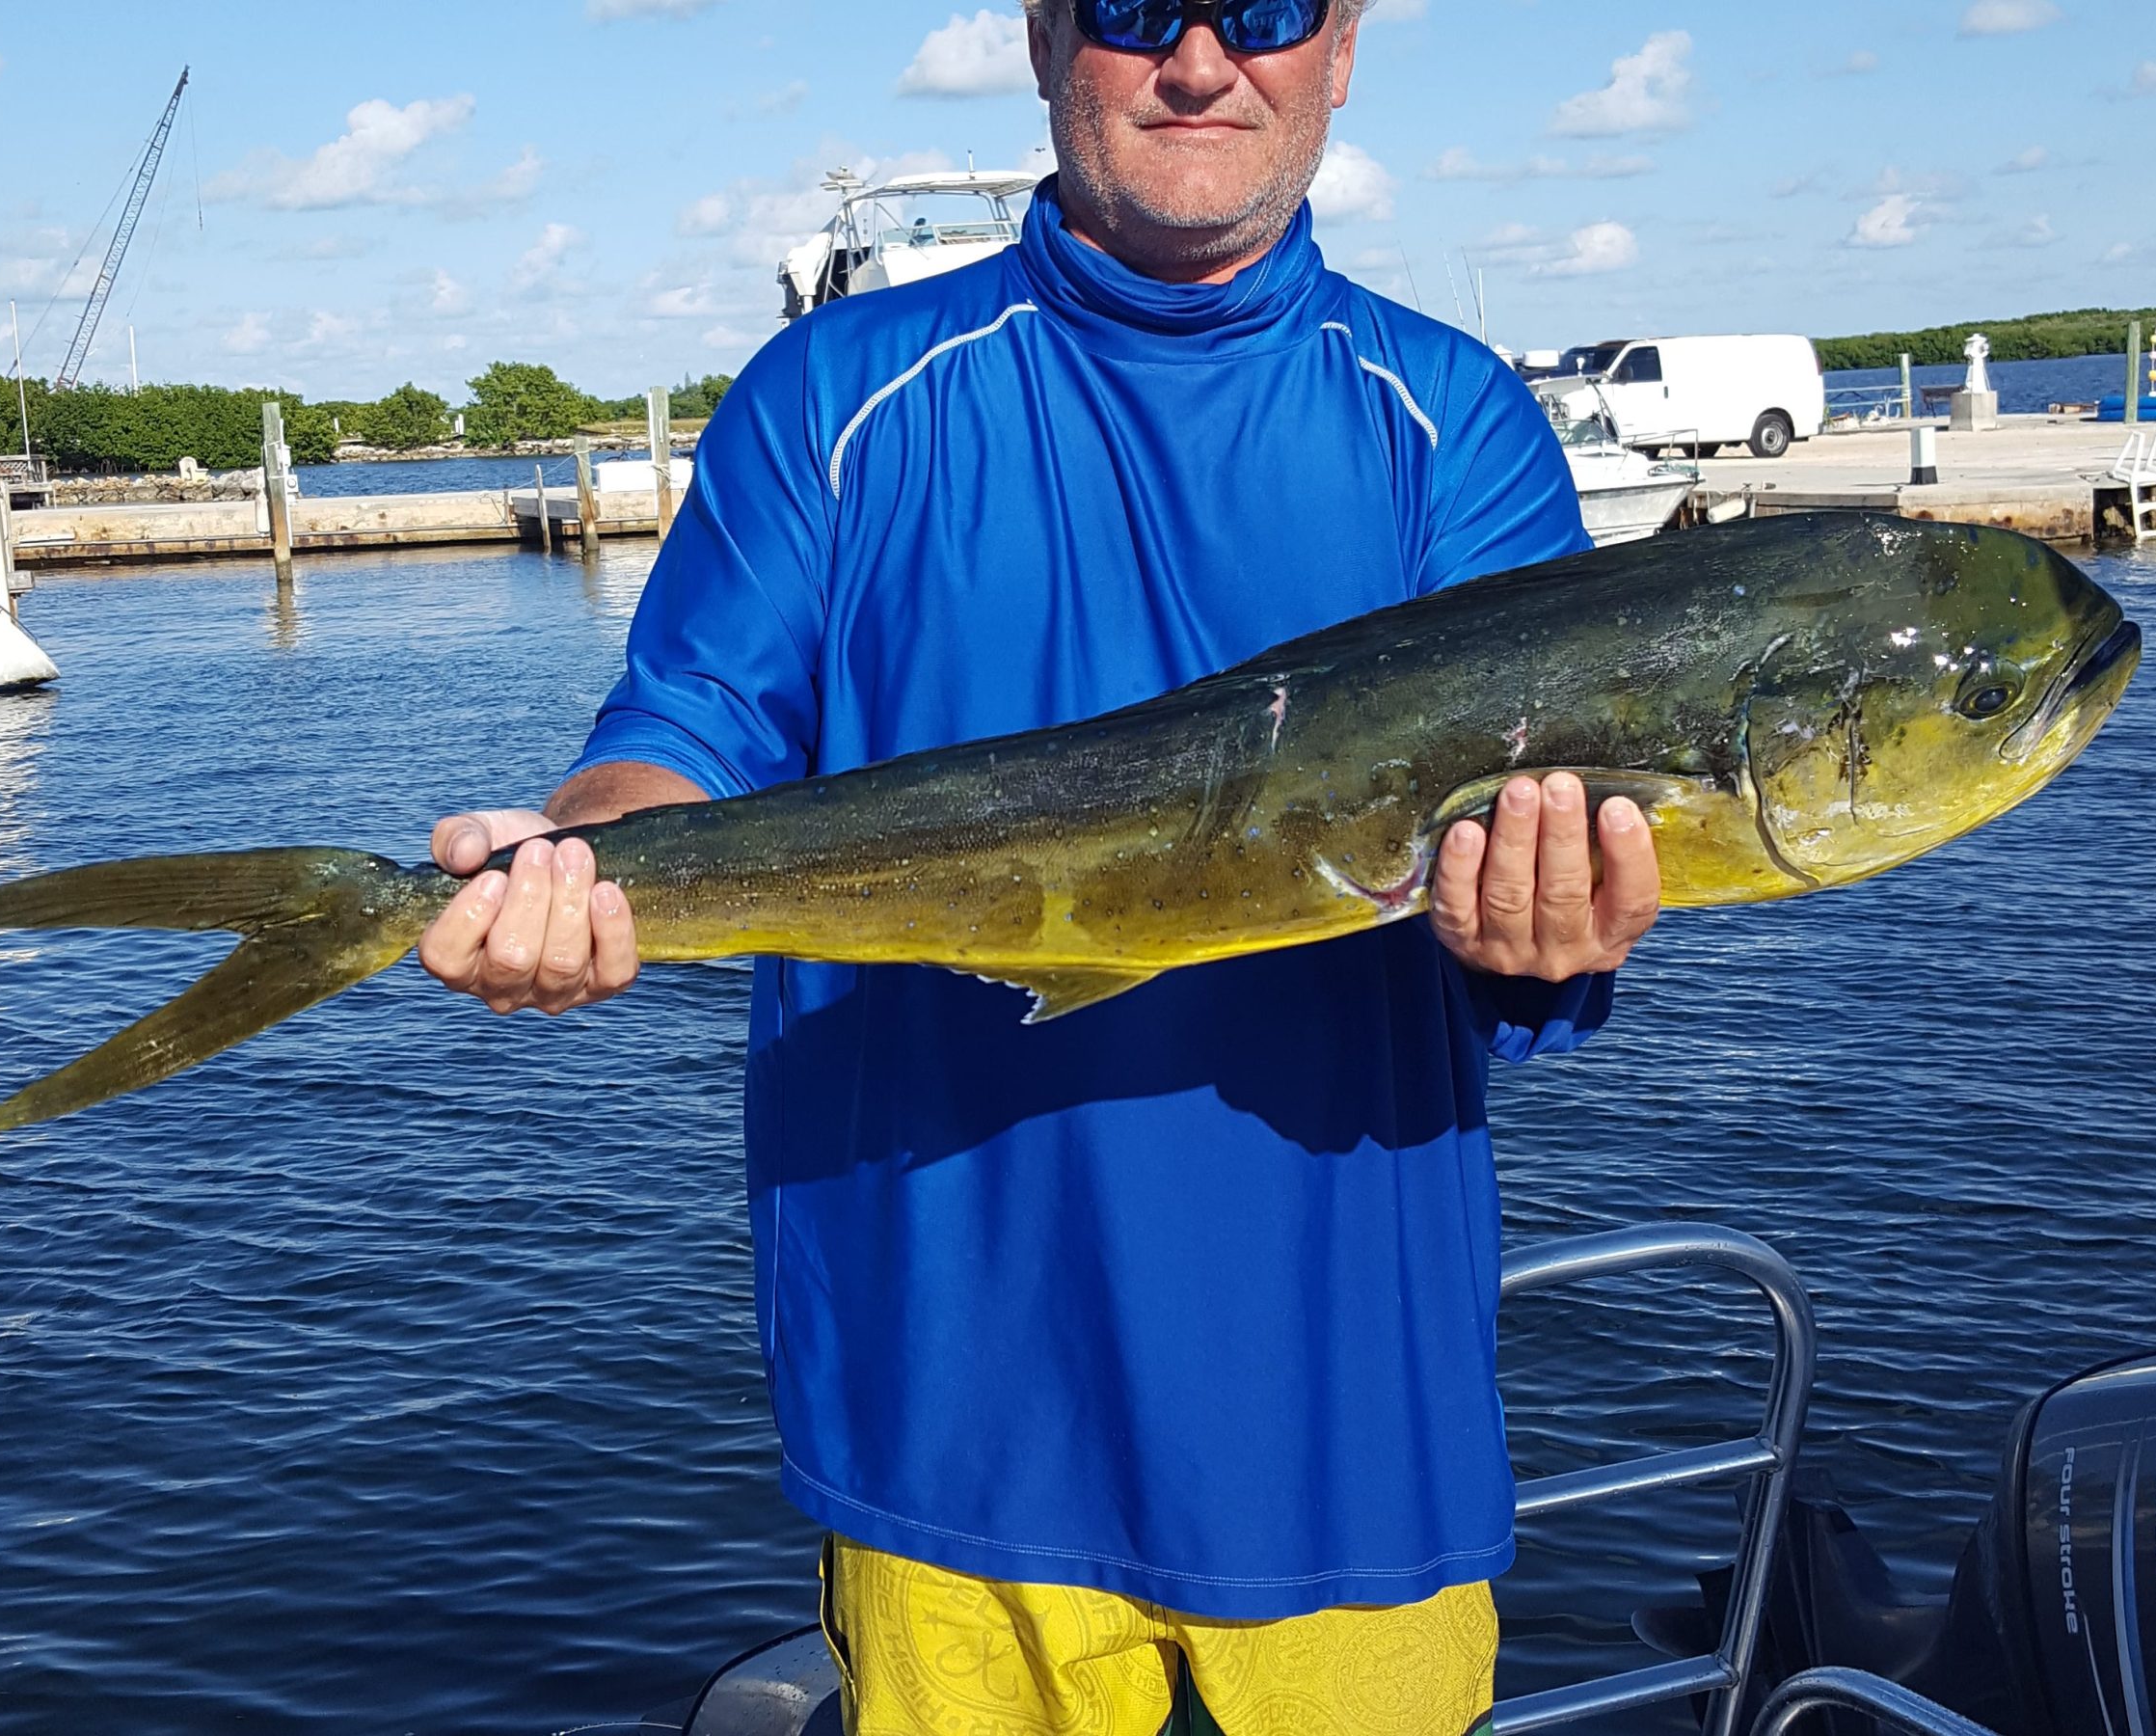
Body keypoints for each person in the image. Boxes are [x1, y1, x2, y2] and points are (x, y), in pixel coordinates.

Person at [420, 0, 1660, 1729]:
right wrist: (564, 871)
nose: (1205, 61)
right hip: (948, 1427)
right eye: (1141, 7)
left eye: (1273, 9)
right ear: (1040, 36)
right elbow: (677, 742)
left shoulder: (1453, 425)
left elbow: (1546, 930)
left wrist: (1548, 933)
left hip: (1347, 1431)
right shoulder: (838, 399)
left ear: (1348, 44)